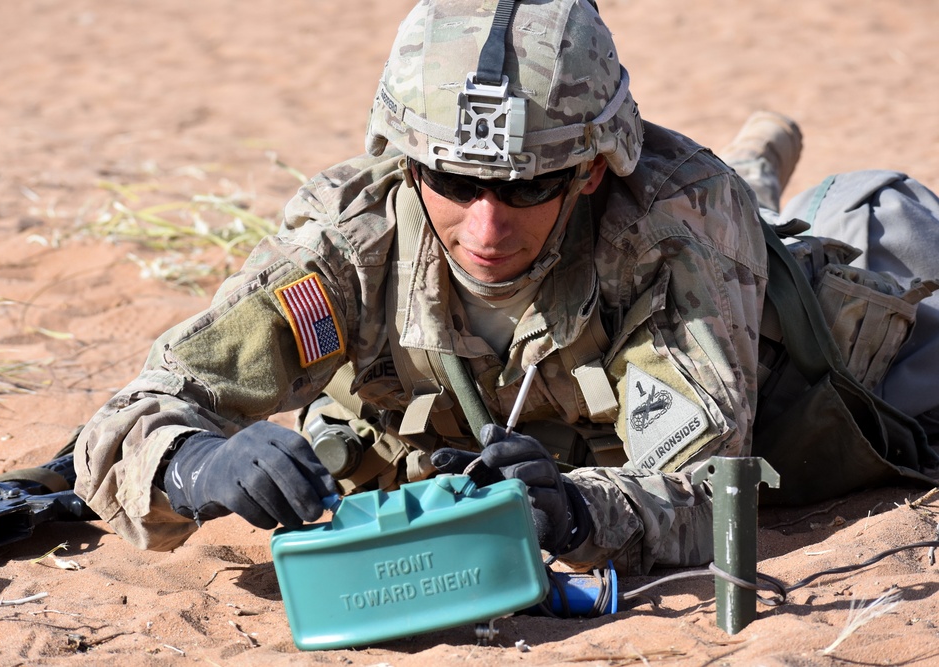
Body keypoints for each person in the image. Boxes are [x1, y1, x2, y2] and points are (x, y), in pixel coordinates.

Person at [74, 0, 938, 576]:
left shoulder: (674, 225)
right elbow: (140, 408)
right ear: (405, 161)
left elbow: (715, 493)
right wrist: (195, 465)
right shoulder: (347, 240)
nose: (486, 229)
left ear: (594, 170)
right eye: (453, 181)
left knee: (882, 218)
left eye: (527, 187)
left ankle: (772, 184)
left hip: (801, 355)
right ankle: (757, 165)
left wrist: (571, 513)